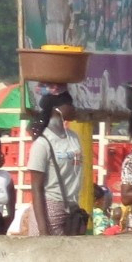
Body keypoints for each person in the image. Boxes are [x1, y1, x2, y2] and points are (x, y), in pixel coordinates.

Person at [24, 89, 86, 235]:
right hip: (49, 210)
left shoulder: (74, 137)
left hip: (72, 207)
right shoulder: (42, 144)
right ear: (57, 109)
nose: (74, 108)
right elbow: (36, 188)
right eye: (70, 104)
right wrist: (43, 229)